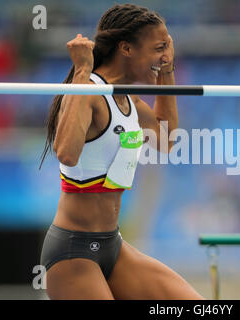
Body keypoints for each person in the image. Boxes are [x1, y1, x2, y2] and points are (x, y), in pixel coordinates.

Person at [39, 3, 204, 300]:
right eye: (158, 48)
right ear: (126, 48)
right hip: (73, 253)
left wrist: (166, 70)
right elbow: (65, 152)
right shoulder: (88, 91)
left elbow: (165, 140)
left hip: (112, 247)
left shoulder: (126, 98)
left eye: (167, 48)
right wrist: (82, 70)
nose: (164, 55)